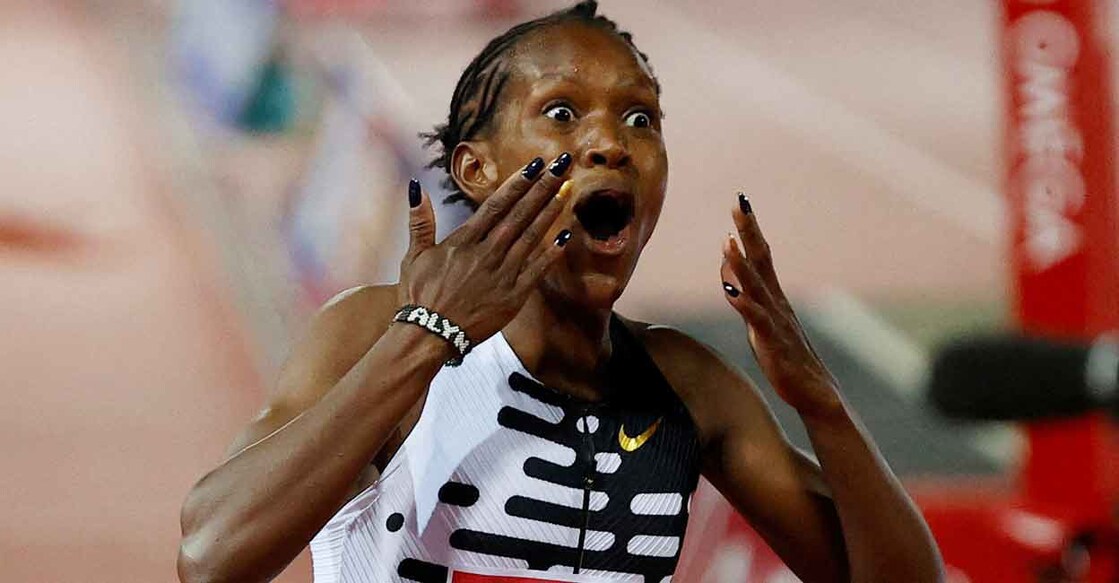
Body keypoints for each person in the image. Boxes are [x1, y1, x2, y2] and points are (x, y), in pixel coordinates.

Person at [177, 2, 944, 582]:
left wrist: (825, 409)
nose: (610, 142)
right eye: (561, 112)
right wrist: (424, 335)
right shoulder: (376, 332)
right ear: (476, 169)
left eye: (639, 117)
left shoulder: (688, 388)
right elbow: (211, 553)